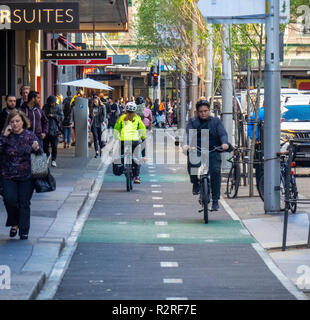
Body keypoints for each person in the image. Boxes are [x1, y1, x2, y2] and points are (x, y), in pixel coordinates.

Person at [0, 110, 41, 240]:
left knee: (24, 203)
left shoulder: (30, 136)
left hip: (26, 176)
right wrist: (4, 136)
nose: (15, 124)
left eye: (17, 121)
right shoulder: (5, 136)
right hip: (8, 175)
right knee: (9, 199)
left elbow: (40, 154)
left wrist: (37, 149)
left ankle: (23, 231)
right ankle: (14, 222)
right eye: (12, 122)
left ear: (23, 121)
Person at [183, 100, 229, 211]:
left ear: (209, 110)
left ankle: (215, 200)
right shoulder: (193, 122)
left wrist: (224, 143)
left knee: (215, 171)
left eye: (205, 111)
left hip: (213, 149)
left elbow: (222, 133)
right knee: (193, 163)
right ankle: (195, 183)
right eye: (201, 111)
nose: (203, 113)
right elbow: (189, 133)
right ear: (197, 112)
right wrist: (187, 144)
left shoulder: (216, 121)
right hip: (197, 148)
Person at [114, 102, 146, 184]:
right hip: (135, 140)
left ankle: (120, 165)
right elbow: (142, 129)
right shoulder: (137, 118)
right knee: (137, 157)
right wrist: (143, 137)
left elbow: (116, 129)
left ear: (125, 110)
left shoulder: (121, 118)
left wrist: (117, 138)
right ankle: (137, 177)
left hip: (123, 140)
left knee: (119, 154)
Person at [42, 96, 64, 167]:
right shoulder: (45, 107)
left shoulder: (58, 107)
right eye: (51, 103)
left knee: (54, 146)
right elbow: (42, 115)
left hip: (55, 130)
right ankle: (48, 154)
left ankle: (53, 160)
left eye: (53, 103)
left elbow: (62, 117)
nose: (52, 104)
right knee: (45, 146)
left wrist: (53, 116)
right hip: (46, 129)